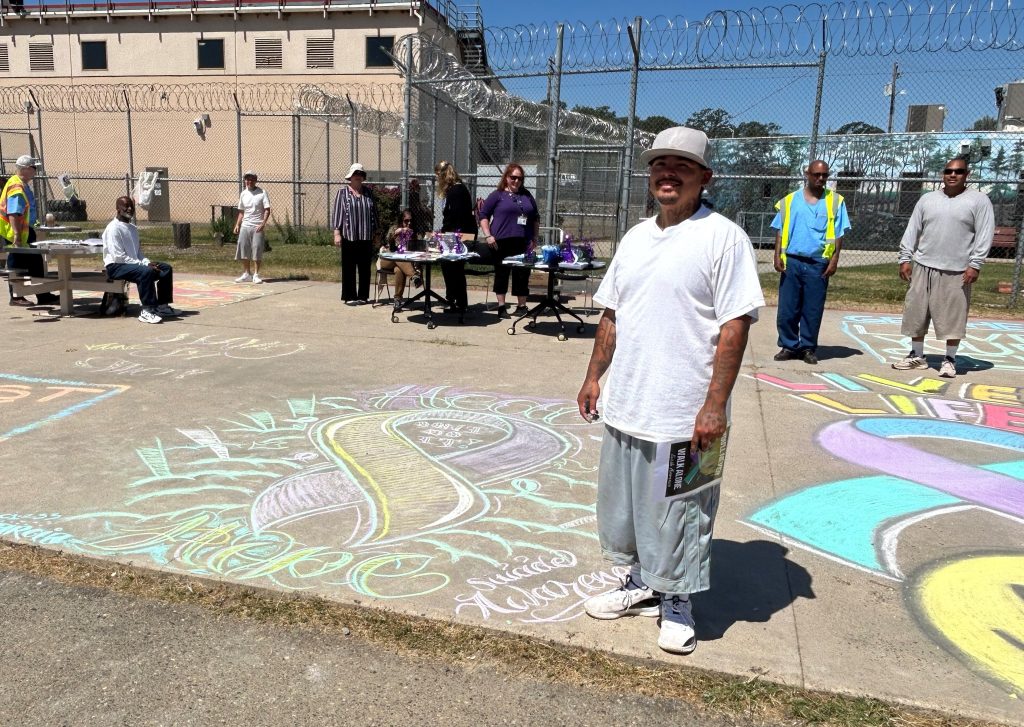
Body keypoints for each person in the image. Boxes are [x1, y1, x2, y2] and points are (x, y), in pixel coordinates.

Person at [576, 126, 764, 655]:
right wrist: (594, 377)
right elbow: (612, 314)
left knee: (686, 511)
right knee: (631, 509)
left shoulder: (723, 237)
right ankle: (639, 583)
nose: (668, 173)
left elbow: (735, 326)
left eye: (681, 165)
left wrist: (714, 407)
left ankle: (677, 600)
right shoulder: (636, 238)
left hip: (688, 416)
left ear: (704, 177)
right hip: (629, 404)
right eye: (660, 164)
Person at [892, 155, 994, 378]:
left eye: (958, 171)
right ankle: (917, 356)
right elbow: (913, 229)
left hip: (956, 269)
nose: (953, 175)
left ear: (967, 175)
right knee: (916, 312)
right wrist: (905, 257)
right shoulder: (927, 199)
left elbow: (984, 235)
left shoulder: (979, 201)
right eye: (949, 171)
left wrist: (975, 264)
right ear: (943, 174)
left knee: (953, 316)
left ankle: (949, 359)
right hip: (923, 265)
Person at [770, 160, 850, 365]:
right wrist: (777, 254)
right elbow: (780, 230)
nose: (820, 179)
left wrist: (834, 259)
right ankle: (788, 345)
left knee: (812, 309)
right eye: (816, 174)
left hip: (818, 263)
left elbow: (839, 233)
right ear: (807, 174)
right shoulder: (789, 201)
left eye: (824, 175)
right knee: (788, 308)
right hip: (792, 261)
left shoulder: (835, 201)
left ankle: (807, 347)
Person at [102, 196, 180, 324]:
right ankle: (147, 311)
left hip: (131, 264)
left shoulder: (132, 228)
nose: (129, 209)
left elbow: (138, 253)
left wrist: (147, 262)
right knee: (145, 272)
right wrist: (144, 266)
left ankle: (162, 306)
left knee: (165, 268)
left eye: (131, 206)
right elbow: (118, 256)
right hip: (116, 266)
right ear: (117, 209)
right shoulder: (113, 228)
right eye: (125, 206)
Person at [478, 163, 539, 318]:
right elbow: (483, 215)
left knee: (522, 273)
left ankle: (521, 306)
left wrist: (534, 237)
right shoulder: (497, 195)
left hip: (523, 241)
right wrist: (488, 235)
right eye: (513, 177)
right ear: (506, 177)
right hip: (501, 241)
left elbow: (535, 217)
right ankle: (501, 307)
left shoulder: (526, 195)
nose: (516, 181)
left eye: (520, 178)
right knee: (502, 272)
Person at [1, 155, 59, 306]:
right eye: (34, 168)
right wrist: (17, 235)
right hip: (18, 233)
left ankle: (43, 294)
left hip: (26, 231)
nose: (35, 171)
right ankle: (16, 296)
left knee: (36, 263)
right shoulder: (16, 186)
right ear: (25, 169)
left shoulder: (22, 184)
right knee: (16, 264)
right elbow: (13, 213)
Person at [332, 163, 378, 306]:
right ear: (350, 177)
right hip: (349, 235)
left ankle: (363, 296)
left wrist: (377, 233)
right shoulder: (342, 193)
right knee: (349, 267)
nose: (358, 176)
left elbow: (374, 214)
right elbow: (337, 213)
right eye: (355, 174)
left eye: (360, 174)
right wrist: (337, 233)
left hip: (366, 235)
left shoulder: (369, 193)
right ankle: (349, 295)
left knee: (365, 267)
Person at [434, 160, 476, 315]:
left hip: (457, 236)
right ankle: (453, 299)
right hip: (453, 234)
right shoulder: (456, 190)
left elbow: (456, 218)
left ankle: (458, 302)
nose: (438, 179)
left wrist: (446, 235)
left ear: (444, 175)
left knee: (454, 268)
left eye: (438, 175)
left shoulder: (456, 191)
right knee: (450, 267)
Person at [233, 170, 271, 284]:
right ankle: (246, 273)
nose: (248, 181)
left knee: (257, 248)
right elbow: (241, 211)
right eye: (247, 179)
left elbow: (267, 210)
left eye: (251, 179)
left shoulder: (262, 192)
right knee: (243, 248)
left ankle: (256, 274)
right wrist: (237, 224)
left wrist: (263, 223)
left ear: (255, 180)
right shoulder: (243, 193)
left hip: (257, 226)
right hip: (245, 225)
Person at [377, 209, 418, 307]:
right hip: (388, 260)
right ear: (401, 220)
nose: (409, 223)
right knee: (398, 256)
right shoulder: (394, 228)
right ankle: (414, 275)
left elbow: (418, 249)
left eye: (410, 221)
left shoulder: (413, 232)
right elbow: (387, 243)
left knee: (399, 270)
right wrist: (396, 233)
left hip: (403, 265)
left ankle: (397, 300)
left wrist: (413, 238)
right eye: (406, 221)